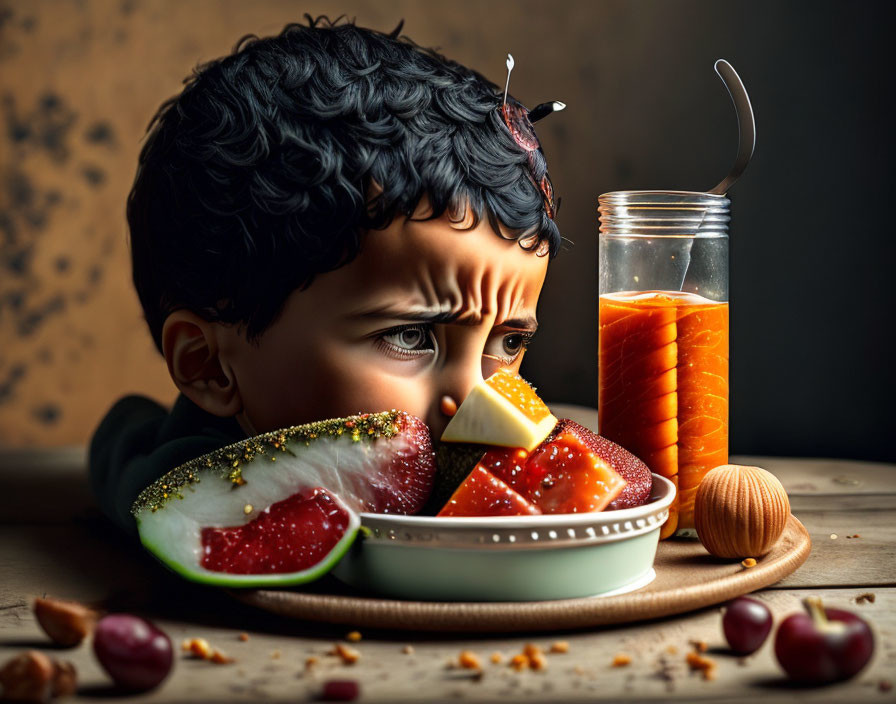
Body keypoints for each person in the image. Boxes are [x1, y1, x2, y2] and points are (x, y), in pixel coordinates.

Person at [89, 16, 562, 534]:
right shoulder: (194, 486)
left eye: (510, 342)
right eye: (411, 335)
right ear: (210, 367)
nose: (476, 398)